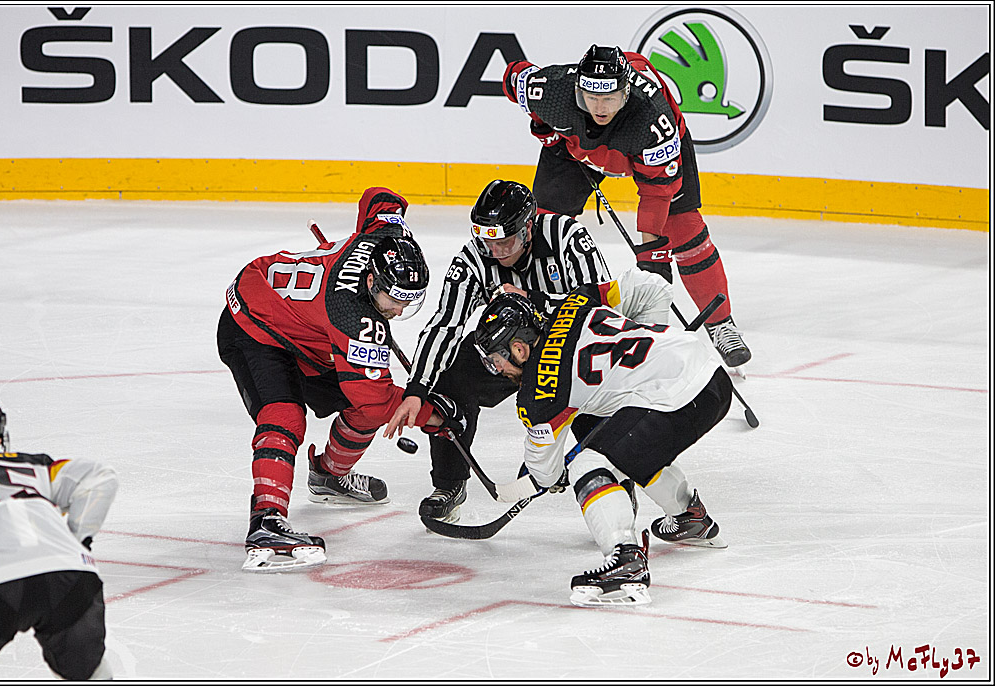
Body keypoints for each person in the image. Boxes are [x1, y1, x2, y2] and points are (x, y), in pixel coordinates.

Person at [217, 187, 464, 572]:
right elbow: (375, 400)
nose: (399, 311)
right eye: (394, 300)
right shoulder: (354, 317)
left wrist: (388, 225)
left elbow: (380, 199)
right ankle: (266, 521)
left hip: (308, 333)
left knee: (358, 404)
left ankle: (328, 476)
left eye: (409, 300)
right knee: (285, 415)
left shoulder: (387, 238)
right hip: (254, 323)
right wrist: (431, 415)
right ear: (372, 281)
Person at [473, 282, 731, 607]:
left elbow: (544, 473)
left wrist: (549, 477)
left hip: (677, 397)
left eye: (496, 360)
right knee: (627, 448)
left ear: (519, 349)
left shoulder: (539, 391)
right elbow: (653, 287)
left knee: (588, 466)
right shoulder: (574, 302)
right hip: (710, 374)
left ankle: (626, 559)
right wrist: (652, 352)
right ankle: (688, 516)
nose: (498, 369)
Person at [502, 44, 752, 370]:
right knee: (545, 227)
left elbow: (656, 193)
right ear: (577, 89)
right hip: (578, 147)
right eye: (592, 98)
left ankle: (721, 324)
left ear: (626, 92)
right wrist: (545, 129)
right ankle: (537, 322)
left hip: (649, 153)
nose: (600, 108)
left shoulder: (653, 119)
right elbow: (513, 76)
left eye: (609, 98)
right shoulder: (552, 90)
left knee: (684, 230)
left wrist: (651, 254)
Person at [383, 179, 613, 524]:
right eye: (488, 241)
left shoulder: (567, 236)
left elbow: (603, 306)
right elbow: (445, 324)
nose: (496, 251)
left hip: (571, 352)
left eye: (505, 241)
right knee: (450, 375)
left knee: (595, 400)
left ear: (528, 228)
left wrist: (533, 300)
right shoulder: (474, 258)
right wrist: (417, 388)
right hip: (512, 357)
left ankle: (614, 487)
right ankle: (449, 483)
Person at [0, 394, 118, 679]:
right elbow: (101, 478)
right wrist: (76, 543)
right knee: (89, 674)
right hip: (71, 576)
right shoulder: (36, 465)